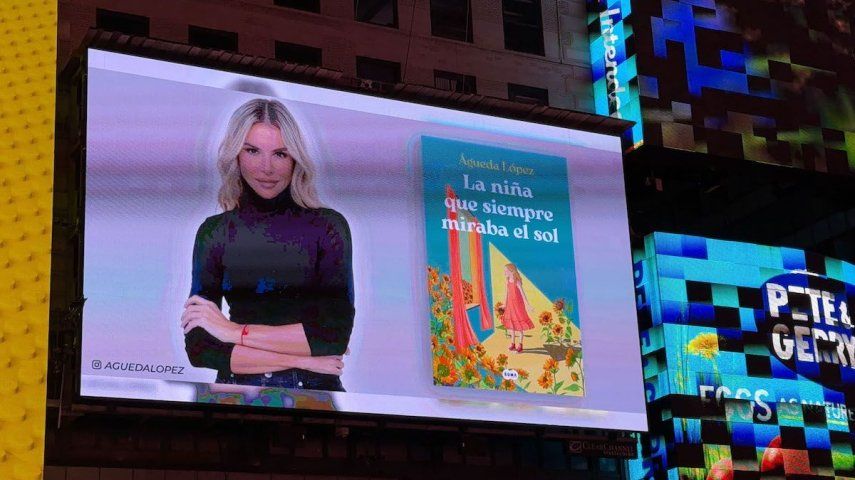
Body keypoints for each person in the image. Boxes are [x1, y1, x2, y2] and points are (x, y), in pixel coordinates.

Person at [181, 98, 354, 391]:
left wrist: (231, 331)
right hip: (236, 395)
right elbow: (200, 348)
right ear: (236, 155)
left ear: (295, 159)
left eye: (280, 154)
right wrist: (305, 360)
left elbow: (332, 335)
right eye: (252, 151)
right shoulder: (215, 232)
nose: (266, 168)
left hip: (312, 397)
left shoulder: (328, 226)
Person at [500, 263, 534, 353]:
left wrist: (528, 305)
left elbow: (523, 295)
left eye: (506, 271)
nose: (504, 273)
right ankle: (512, 343)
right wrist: (504, 304)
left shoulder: (517, 282)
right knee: (511, 326)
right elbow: (507, 294)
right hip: (510, 306)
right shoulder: (507, 281)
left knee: (519, 326)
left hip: (518, 306)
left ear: (511, 271)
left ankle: (520, 344)